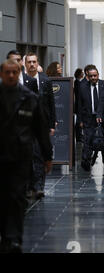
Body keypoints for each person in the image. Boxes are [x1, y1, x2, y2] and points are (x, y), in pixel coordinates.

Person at [0, 59, 53, 253]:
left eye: (15, 72)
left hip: (20, 157)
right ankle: (4, 235)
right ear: (2, 74)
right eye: (8, 72)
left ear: (19, 73)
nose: (11, 75)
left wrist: (48, 156)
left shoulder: (30, 98)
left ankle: (14, 238)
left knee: (17, 197)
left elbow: (41, 130)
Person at [25, 52, 56, 198]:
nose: (32, 64)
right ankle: (31, 184)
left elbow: (51, 104)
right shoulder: (23, 81)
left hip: (42, 124)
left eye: (34, 62)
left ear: (38, 64)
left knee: (40, 155)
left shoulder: (45, 81)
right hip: (25, 126)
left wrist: (52, 124)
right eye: (29, 62)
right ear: (25, 64)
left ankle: (39, 186)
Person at [78, 66, 104, 171]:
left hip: (103, 119)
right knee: (88, 141)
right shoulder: (82, 87)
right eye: (91, 76)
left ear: (98, 75)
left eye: (95, 75)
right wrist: (80, 120)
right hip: (88, 118)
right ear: (88, 76)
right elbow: (80, 105)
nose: (93, 78)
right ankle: (86, 162)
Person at [74, 68, 84, 143]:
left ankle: (80, 135)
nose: (83, 74)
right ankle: (78, 136)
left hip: (79, 104)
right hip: (78, 105)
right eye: (82, 72)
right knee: (78, 121)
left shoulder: (79, 82)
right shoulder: (77, 82)